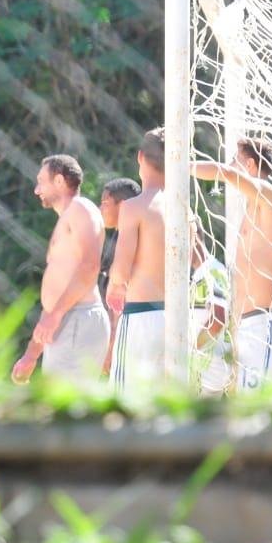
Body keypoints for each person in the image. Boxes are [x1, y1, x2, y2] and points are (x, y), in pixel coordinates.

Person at [190, 138, 272, 388]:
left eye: (234, 160)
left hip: (267, 321)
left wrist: (180, 166)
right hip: (250, 325)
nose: (230, 165)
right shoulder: (251, 209)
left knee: (258, 413)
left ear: (249, 164)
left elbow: (225, 173)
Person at [11, 155, 111, 384]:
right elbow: (58, 292)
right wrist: (31, 354)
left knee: (67, 415)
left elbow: (90, 265)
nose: (36, 190)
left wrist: (55, 316)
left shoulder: (81, 209)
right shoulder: (68, 217)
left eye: (40, 181)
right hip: (69, 322)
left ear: (58, 181)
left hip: (77, 320)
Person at [106, 128, 167, 392]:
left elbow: (120, 271)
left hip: (140, 317)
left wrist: (115, 286)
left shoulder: (134, 207)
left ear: (140, 157)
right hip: (175, 319)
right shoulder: (183, 208)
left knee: (124, 404)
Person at [98, 177, 140, 373]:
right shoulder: (118, 236)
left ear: (122, 206)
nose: (100, 209)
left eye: (105, 203)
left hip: (127, 333)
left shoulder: (127, 241)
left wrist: (111, 344)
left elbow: (120, 295)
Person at [190, 229, 230, 396]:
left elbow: (218, 320)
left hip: (210, 369)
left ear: (194, 237)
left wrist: (193, 351)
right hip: (201, 368)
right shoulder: (197, 275)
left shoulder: (213, 270)